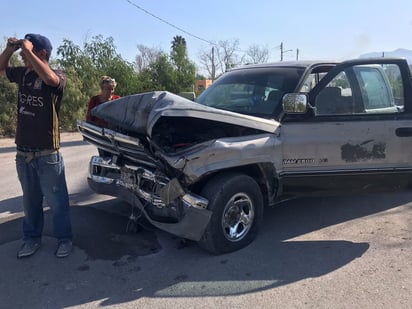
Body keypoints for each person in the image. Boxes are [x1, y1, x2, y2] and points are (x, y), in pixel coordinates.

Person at [0, 34, 73, 258]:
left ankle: (64, 239)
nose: (23, 56)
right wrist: (9, 49)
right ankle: (31, 239)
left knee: (57, 202)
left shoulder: (58, 76)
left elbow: (50, 79)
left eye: (26, 52)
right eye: (22, 53)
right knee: (30, 203)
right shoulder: (23, 75)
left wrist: (28, 50)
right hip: (23, 153)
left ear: (41, 53)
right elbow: (1, 70)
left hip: (47, 153)